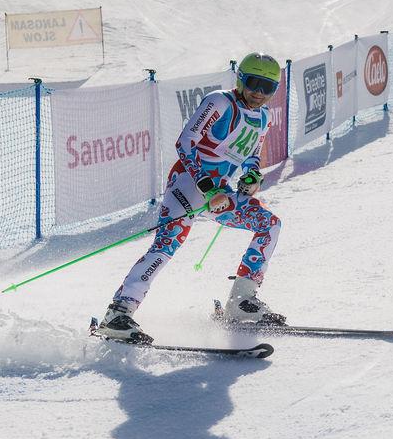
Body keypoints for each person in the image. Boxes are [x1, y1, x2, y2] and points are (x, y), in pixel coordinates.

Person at [96, 53, 286, 344]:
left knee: (269, 224)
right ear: (240, 80)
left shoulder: (263, 117)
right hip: (188, 185)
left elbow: (251, 156)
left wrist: (251, 176)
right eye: (253, 83)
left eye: (267, 87)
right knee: (166, 245)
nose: (259, 92)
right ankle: (118, 312)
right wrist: (208, 188)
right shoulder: (220, 102)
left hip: (219, 193)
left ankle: (242, 301)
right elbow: (185, 143)